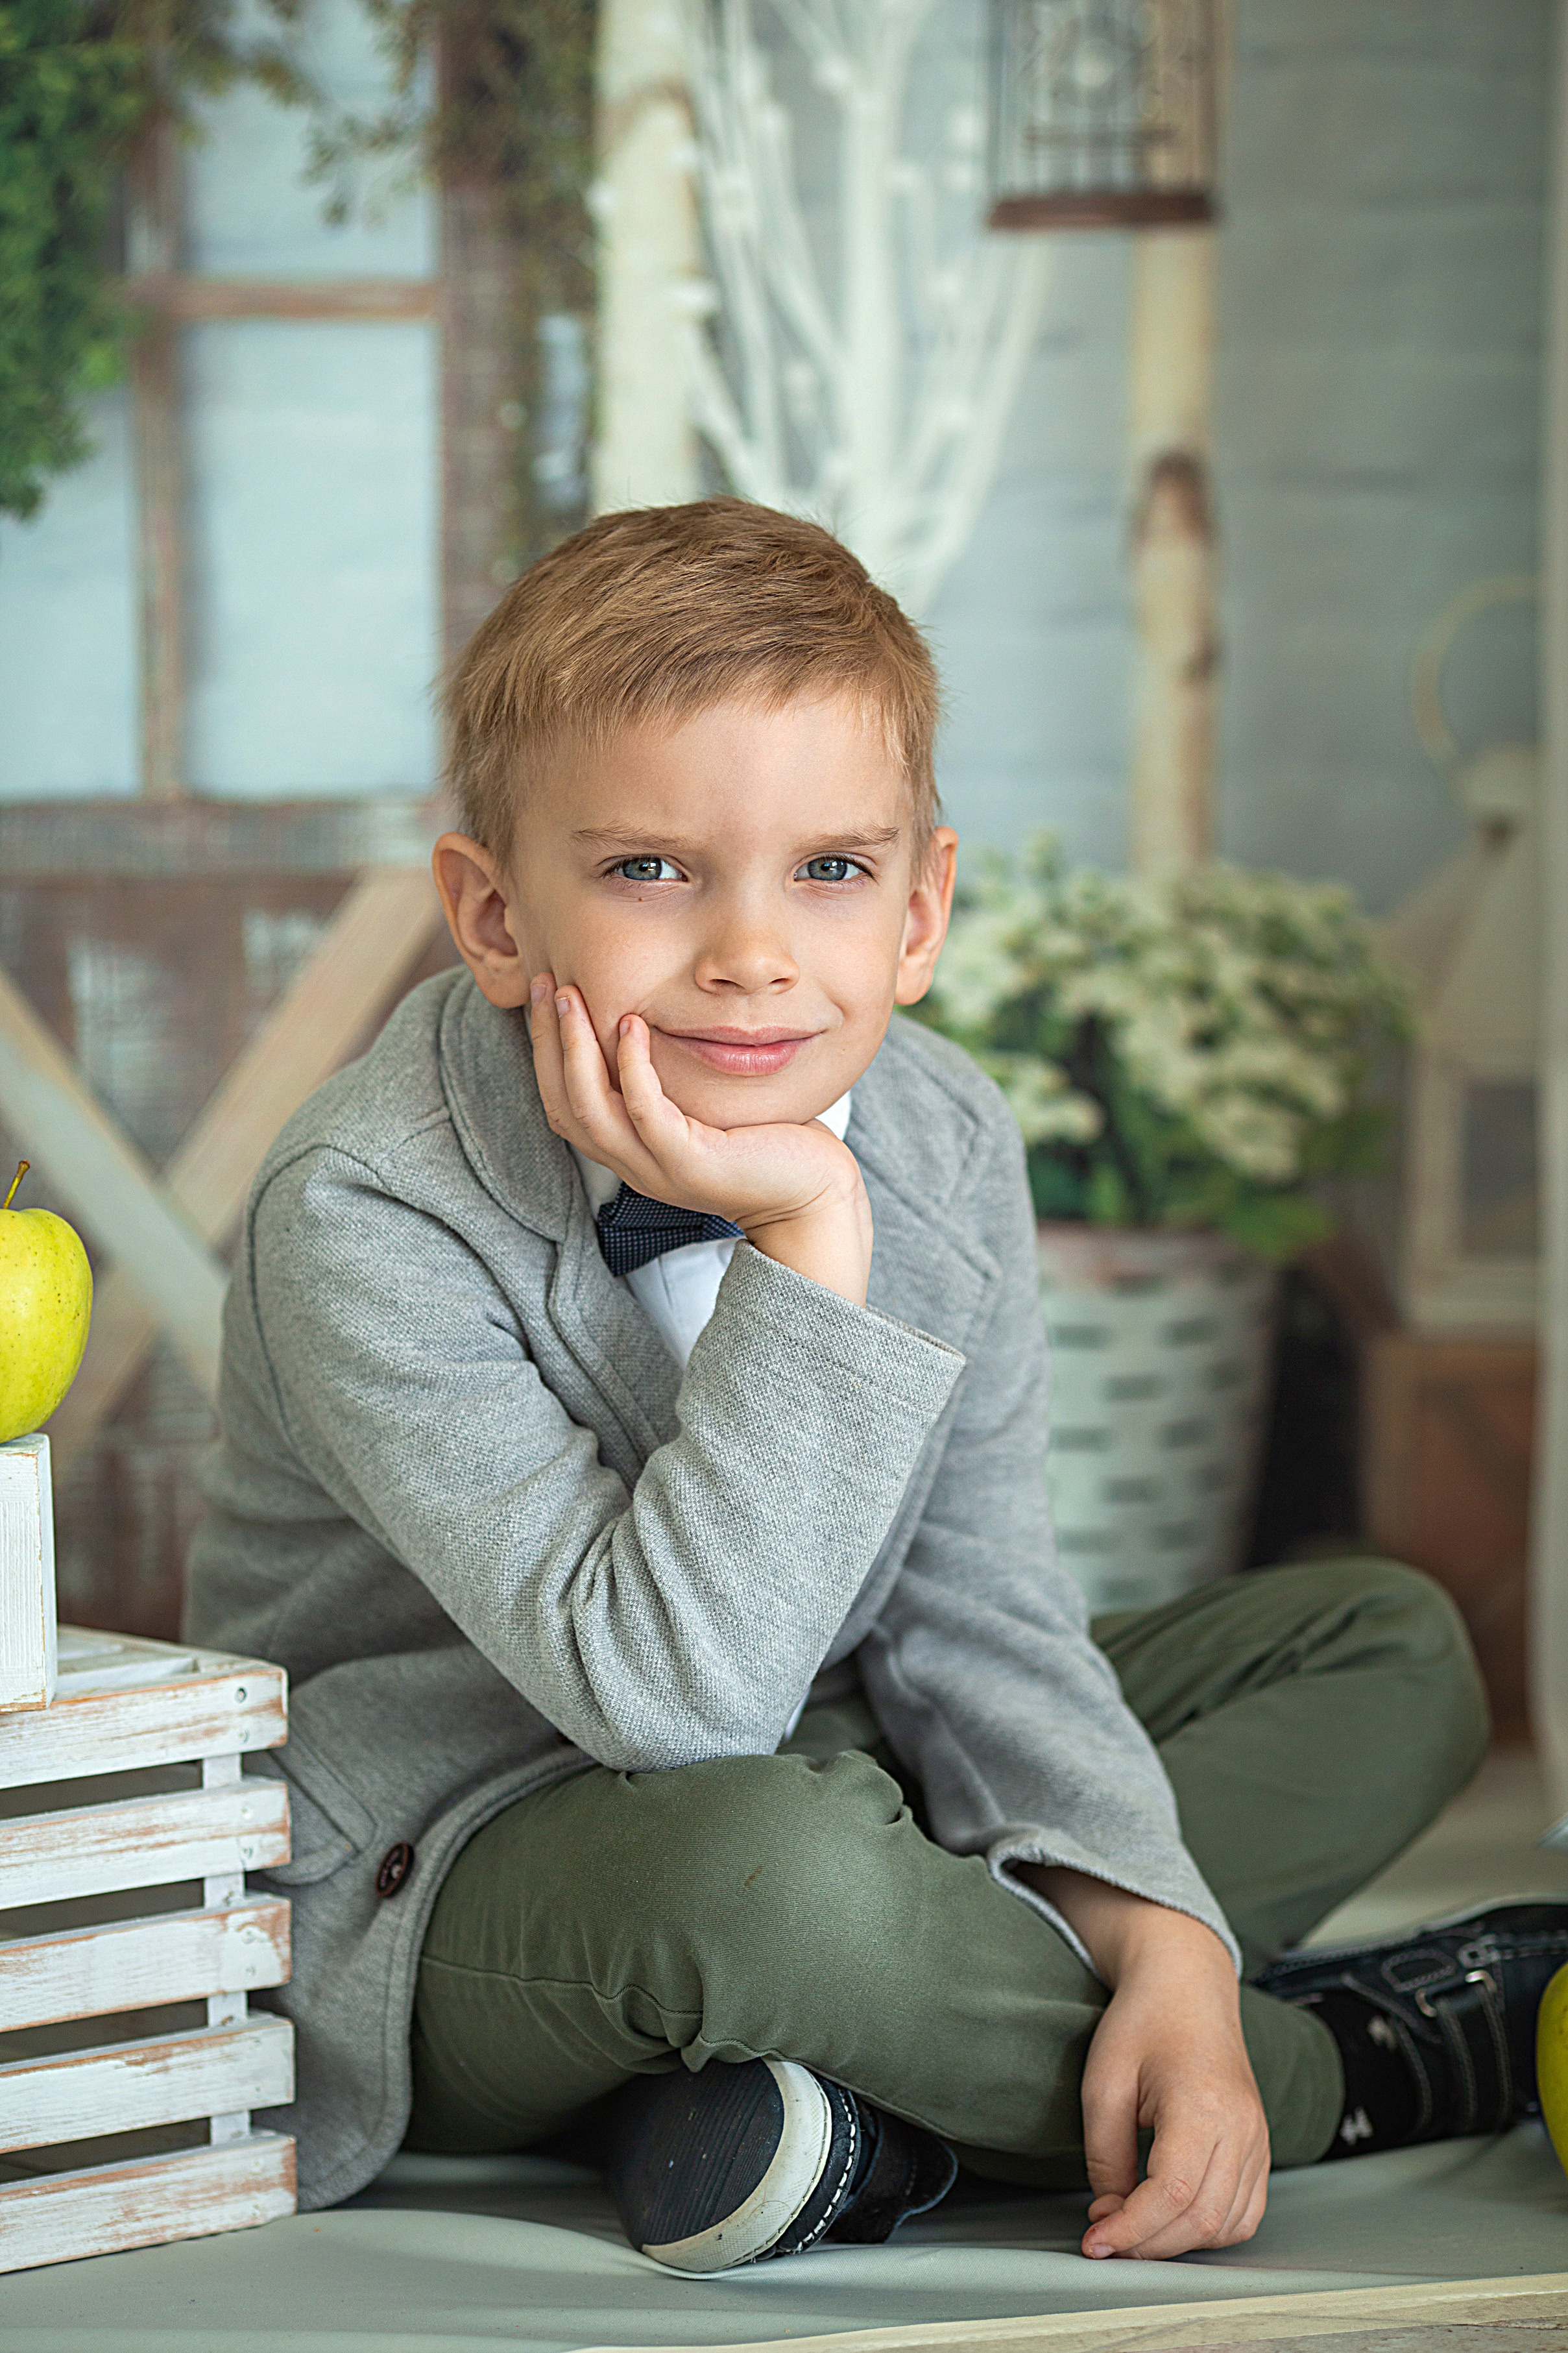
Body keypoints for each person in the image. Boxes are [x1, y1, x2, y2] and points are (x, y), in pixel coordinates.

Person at [185, 498, 1567, 2275]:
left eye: (828, 870)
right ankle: (1343, 2062)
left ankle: (847, 2099)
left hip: (841, 1766)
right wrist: (808, 1242)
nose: (751, 953)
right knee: (771, 1876)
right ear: (494, 912)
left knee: (1389, 1644)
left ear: (918, 910)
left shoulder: (936, 1125)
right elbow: (670, 1707)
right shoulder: (366, 1210)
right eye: (647, 869)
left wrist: (1160, 1935)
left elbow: (980, 1608)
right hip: (464, 1865)